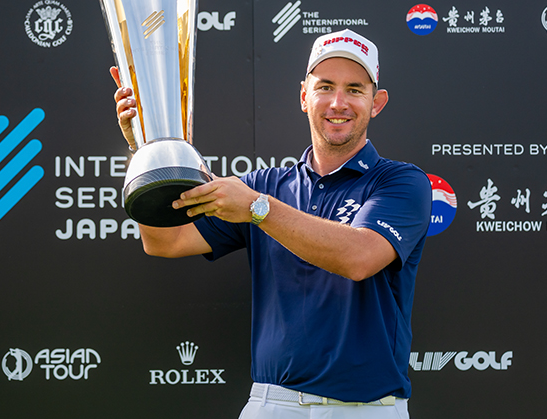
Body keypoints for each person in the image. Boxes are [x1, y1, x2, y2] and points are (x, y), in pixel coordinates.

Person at [111, 28, 432, 419]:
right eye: (325, 87)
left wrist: (258, 209)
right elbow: (166, 240)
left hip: (367, 408)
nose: (338, 102)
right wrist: (146, 147)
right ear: (304, 96)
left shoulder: (400, 182)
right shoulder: (265, 186)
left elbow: (360, 258)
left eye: (354, 89)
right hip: (273, 403)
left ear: (376, 102)